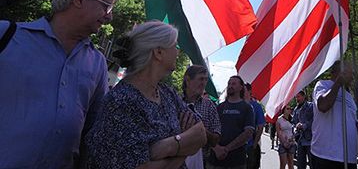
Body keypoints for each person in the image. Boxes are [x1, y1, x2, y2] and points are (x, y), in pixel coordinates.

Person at [0, 0, 118, 168]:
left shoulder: (97, 63)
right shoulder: (7, 35)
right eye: (106, 6)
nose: (109, 16)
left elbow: (94, 127)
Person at [86, 21, 207, 168]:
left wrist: (167, 147)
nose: (178, 52)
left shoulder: (167, 93)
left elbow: (200, 133)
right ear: (158, 52)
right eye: (175, 46)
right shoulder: (120, 102)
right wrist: (184, 146)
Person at [311, 61, 358, 169]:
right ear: (338, 72)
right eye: (349, 73)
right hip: (326, 156)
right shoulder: (322, 85)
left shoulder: (349, 97)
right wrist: (338, 83)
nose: (352, 77)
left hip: (349, 158)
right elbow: (323, 106)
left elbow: (354, 125)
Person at [207, 76, 255, 169]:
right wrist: (216, 148)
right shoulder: (219, 107)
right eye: (229, 83)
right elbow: (208, 130)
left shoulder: (247, 108)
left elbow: (248, 133)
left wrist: (227, 149)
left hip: (236, 161)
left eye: (233, 84)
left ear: (241, 87)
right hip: (215, 160)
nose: (230, 86)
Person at [183, 65, 222, 169]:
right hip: (175, 163)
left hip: (202, 163)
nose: (204, 83)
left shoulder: (209, 106)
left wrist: (201, 130)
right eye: (200, 79)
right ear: (187, 80)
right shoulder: (174, 102)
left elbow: (215, 140)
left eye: (206, 80)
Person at [244, 83, 266, 169]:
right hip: (237, 147)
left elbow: (260, 127)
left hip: (250, 146)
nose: (242, 92)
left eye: (244, 90)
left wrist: (254, 145)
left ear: (249, 91)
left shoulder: (256, 106)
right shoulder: (238, 104)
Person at [291, 90, 313, 169]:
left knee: (312, 163)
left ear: (304, 96)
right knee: (300, 164)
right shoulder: (296, 109)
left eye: (299, 96)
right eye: (296, 97)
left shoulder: (311, 106)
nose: (297, 99)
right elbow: (293, 123)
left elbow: (314, 121)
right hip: (300, 140)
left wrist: (304, 126)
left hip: (310, 140)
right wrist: (295, 128)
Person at [277, 104, 296, 169]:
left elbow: (295, 130)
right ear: (283, 110)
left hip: (291, 143)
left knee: (291, 164)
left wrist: (292, 138)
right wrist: (284, 142)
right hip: (283, 144)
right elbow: (278, 132)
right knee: (283, 164)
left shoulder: (293, 118)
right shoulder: (279, 119)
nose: (289, 110)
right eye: (287, 109)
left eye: (290, 108)